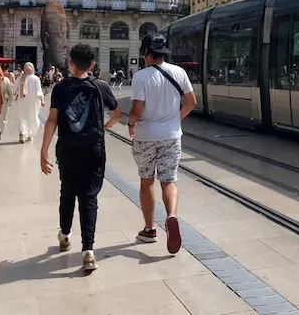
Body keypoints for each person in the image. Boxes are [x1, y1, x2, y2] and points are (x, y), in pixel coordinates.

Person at [40, 43, 122, 271]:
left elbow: (52, 120)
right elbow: (117, 113)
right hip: (93, 149)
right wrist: (106, 126)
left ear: (70, 63)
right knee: (89, 197)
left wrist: (43, 150)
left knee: (67, 191)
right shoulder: (101, 86)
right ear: (93, 65)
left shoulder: (60, 88)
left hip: (67, 148)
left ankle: (65, 235)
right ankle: (88, 250)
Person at [128, 34, 196, 254]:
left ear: (146, 52)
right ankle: (172, 216)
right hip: (171, 135)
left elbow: (137, 111)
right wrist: (176, 118)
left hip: (146, 136)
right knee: (168, 181)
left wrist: (130, 123)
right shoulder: (180, 72)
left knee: (147, 182)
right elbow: (191, 102)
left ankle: (150, 230)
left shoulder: (140, 77)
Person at [14, 62, 44, 143]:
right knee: (33, 117)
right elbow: (39, 91)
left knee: (22, 117)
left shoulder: (20, 78)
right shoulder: (36, 78)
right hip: (33, 102)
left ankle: (23, 133)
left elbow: (14, 89)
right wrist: (42, 100)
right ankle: (30, 134)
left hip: (22, 101)